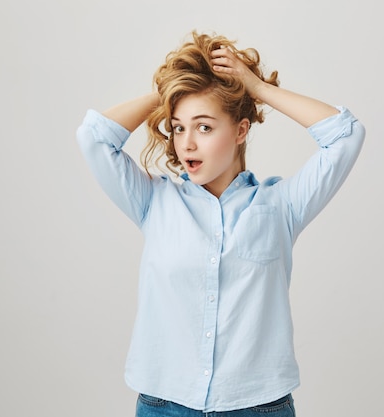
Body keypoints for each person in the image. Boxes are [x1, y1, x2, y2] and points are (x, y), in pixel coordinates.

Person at [76, 31, 365, 417]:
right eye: (178, 127)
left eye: (204, 127)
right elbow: (94, 137)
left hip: (258, 407)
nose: (187, 143)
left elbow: (345, 135)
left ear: (241, 130)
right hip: (166, 405)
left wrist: (256, 88)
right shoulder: (154, 201)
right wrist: (167, 89)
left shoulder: (280, 205)